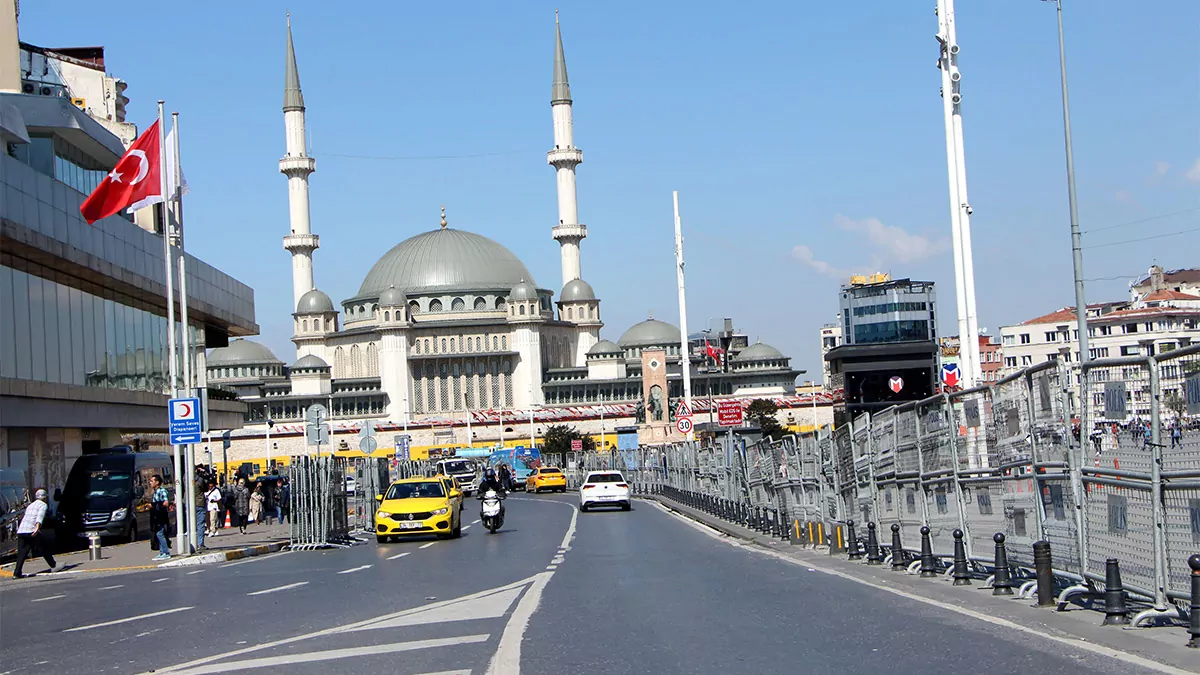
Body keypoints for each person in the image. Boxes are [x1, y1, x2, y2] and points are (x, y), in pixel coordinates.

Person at [12, 488, 56, 579]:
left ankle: (17, 572)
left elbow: (24, 517)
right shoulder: (43, 505)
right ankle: (53, 565)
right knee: (43, 547)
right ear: (44, 498)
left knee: (22, 552)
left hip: (22, 530)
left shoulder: (30, 505)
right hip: (31, 530)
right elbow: (40, 516)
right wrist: (37, 527)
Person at [149, 475, 171, 561]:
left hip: (161, 515)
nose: (150, 483)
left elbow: (166, 503)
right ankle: (162, 552)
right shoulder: (155, 491)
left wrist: (155, 505)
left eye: (152, 481)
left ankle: (166, 552)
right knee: (158, 532)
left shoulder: (162, 491)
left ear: (157, 482)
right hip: (156, 516)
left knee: (160, 533)